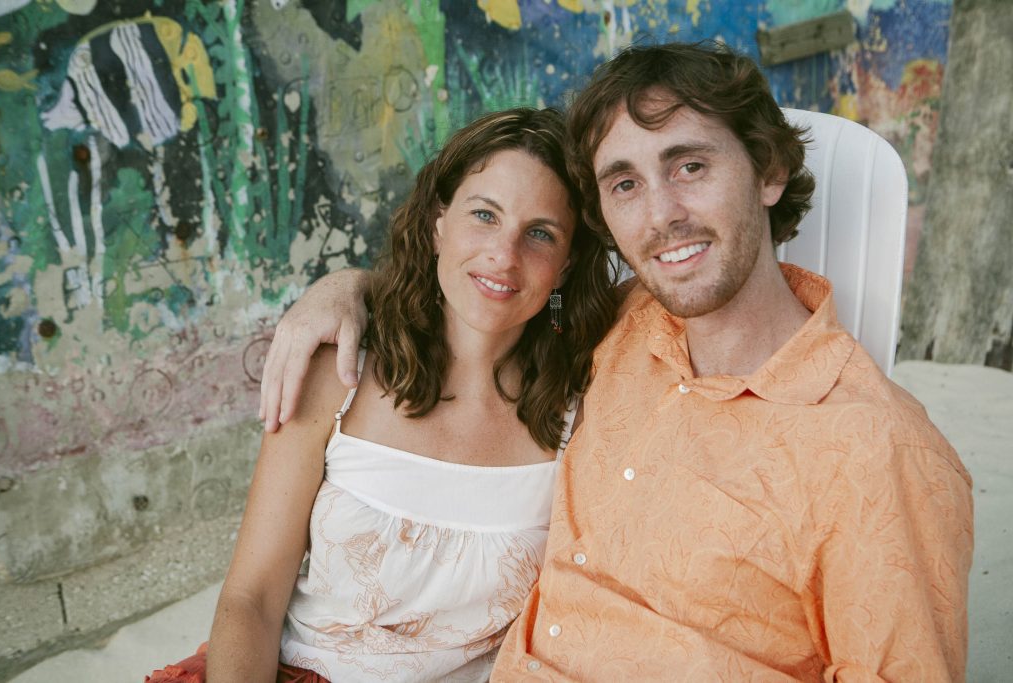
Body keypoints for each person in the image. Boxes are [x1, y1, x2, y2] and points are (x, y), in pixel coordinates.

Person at [260, 41, 975, 682]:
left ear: (770, 170)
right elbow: (489, 294)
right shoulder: (623, 327)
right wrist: (349, 289)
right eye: (625, 184)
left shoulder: (877, 454)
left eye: (689, 165)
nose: (661, 214)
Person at [146, 108, 617, 682]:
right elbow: (252, 600)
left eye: (540, 232)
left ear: (567, 265)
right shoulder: (338, 372)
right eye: (483, 215)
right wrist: (346, 283)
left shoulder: (584, 412)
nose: (504, 253)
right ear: (439, 223)